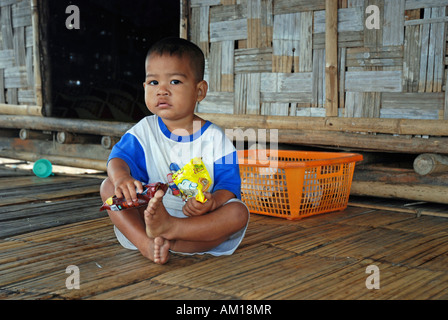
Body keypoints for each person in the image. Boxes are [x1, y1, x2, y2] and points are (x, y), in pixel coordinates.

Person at [100, 37, 249, 264]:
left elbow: (229, 185)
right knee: (108, 186)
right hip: (149, 213)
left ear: (199, 91)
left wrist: (213, 202)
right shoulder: (144, 130)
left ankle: (171, 236)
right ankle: (144, 243)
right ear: (144, 87)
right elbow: (117, 158)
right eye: (153, 83)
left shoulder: (215, 138)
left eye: (175, 82)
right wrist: (122, 178)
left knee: (238, 213)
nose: (162, 91)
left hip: (196, 221)